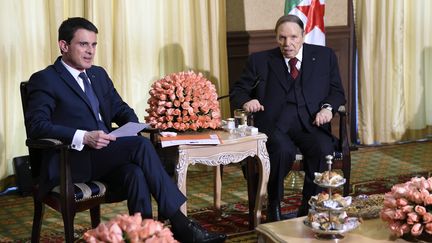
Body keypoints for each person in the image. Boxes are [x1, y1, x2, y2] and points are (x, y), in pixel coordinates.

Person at [25, 17, 226, 243]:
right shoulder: (46, 80)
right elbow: (36, 126)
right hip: (71, 161)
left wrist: (135, 126)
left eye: (93, 45)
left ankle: (147, 236)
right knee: (140, 146)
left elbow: (120, 109)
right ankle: (179, 223)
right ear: (64, 46)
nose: (90, 51)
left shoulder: (97, 74)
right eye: (83, 44)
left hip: (104, 156)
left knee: (136, 173)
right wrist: (83, 137)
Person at [230, 15, 346, 221]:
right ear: (276, 38)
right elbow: (238, 91)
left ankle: (309, 204)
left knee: (322, 148)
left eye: (293, 37)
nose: (287, 43)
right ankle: (273, 203)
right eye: (282, 38)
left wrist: (328, 109)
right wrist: (247, 102)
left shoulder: (324, 56)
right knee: (283, 151)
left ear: (303, 36)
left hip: (310, 124)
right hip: (275, 126)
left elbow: (337, 92)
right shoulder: (260, 61)